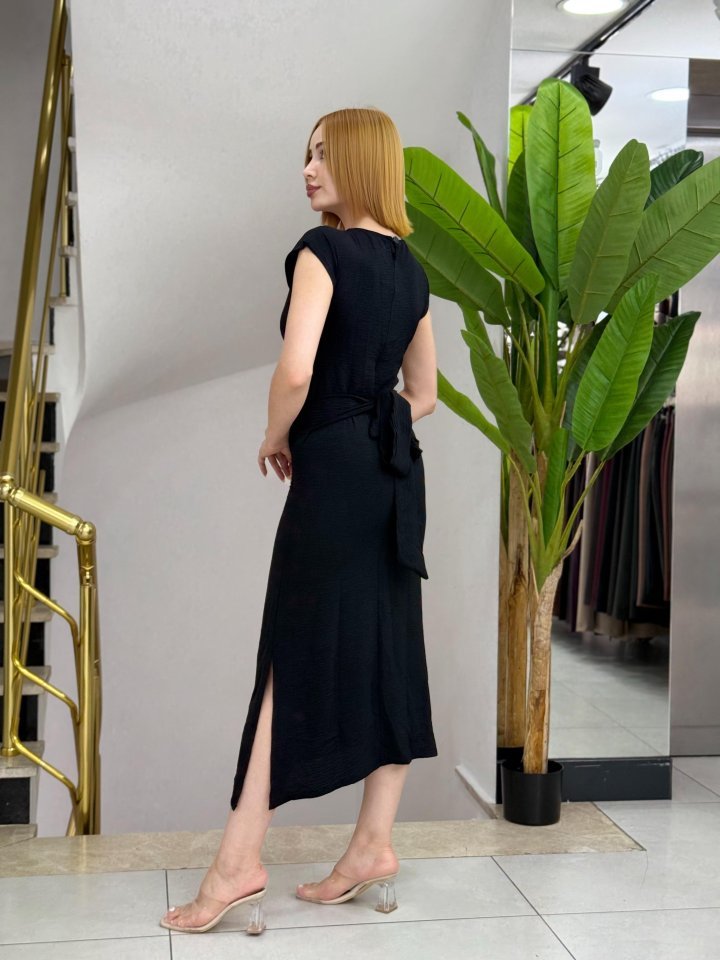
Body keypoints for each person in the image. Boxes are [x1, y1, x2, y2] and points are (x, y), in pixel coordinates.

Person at [160, 107, 438, 935]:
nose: (308, 169)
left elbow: (294, 371)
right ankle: (372, 845)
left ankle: (237, 865)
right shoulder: (413, 270)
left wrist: (277, 434)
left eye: (322, 154)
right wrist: (373, 420)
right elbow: (423, 394)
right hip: (393, 472)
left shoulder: (323, 250)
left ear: (361, 161)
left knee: (294, 647)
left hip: (335, 470)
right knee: (389, 644)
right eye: (306, 155)